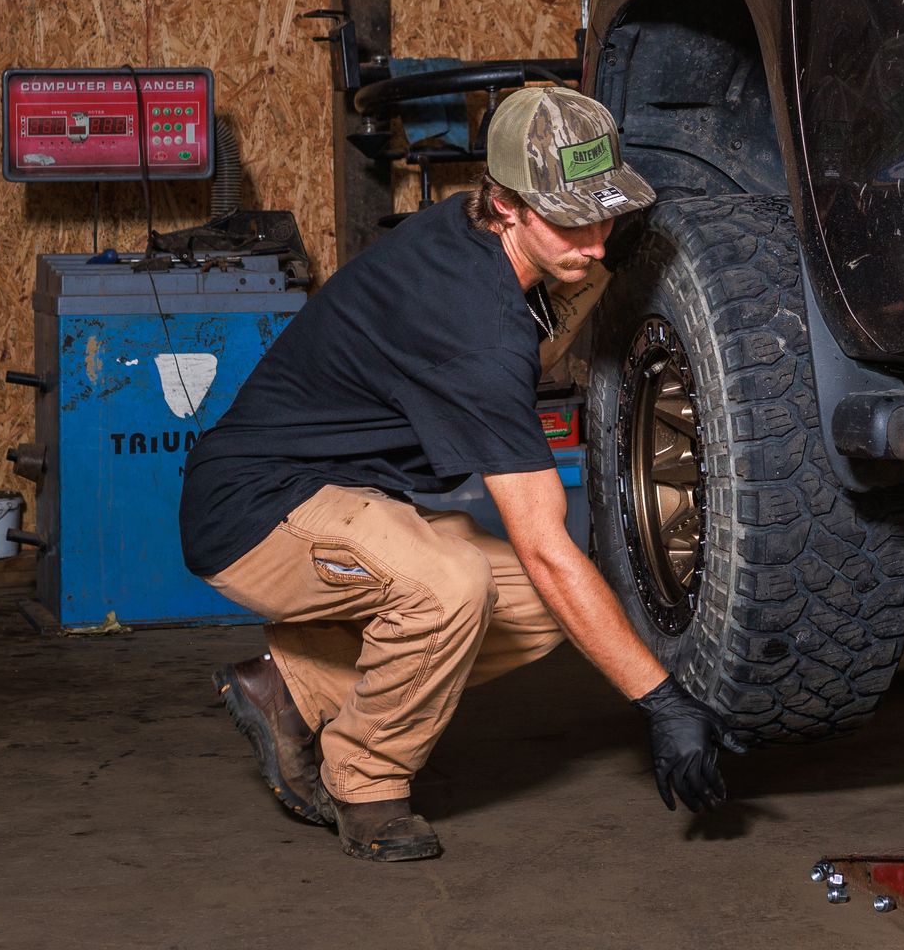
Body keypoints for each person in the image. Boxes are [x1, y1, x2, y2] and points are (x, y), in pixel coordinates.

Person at [179, 86, 745, 862]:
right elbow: (548, 544)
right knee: (453, 584)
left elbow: (538, 321)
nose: (597, 242)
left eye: (606, 212)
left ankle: (291, 688)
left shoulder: (468, 226)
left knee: (535, 611)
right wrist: (661, 700)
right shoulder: (473, 327)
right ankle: (365, 784)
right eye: (571, 221)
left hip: (337, 493)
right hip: (252, 511)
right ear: (508, 204)